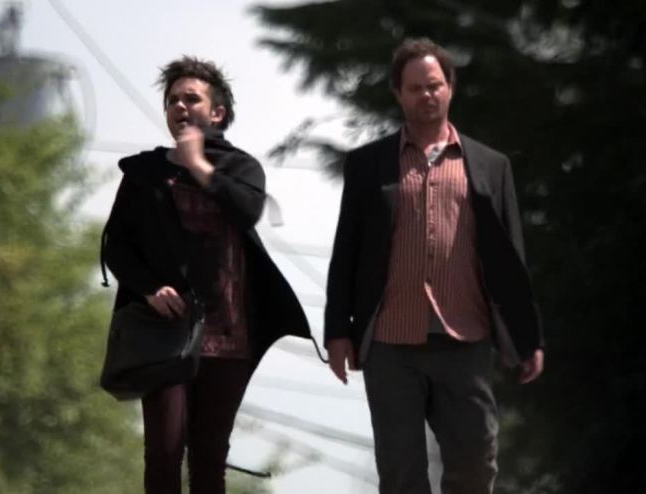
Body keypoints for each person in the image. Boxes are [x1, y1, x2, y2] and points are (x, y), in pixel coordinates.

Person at [324, 38, 545, 493]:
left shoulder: (491, 165)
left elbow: (511, 258)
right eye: (415, 88)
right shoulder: (369, 164)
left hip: (464, 338)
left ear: (450, 88)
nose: (426, 95)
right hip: (391, 342)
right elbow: (347, 248)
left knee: (476, 460)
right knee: (401, 472)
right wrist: (338, 330)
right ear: (398, 94)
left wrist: (528, 335)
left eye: (434, 85)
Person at [102, 56, 310, 493]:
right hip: (165, 330)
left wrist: (198, 165)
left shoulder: (241, 169)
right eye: (172, 100)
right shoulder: (144, 173)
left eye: (191, 99)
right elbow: (116, 245)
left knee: (209, 455)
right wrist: (149, 289)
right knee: (164, 450)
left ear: (217, 112)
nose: (180, 106)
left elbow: (247, 211)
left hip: (229, 332)